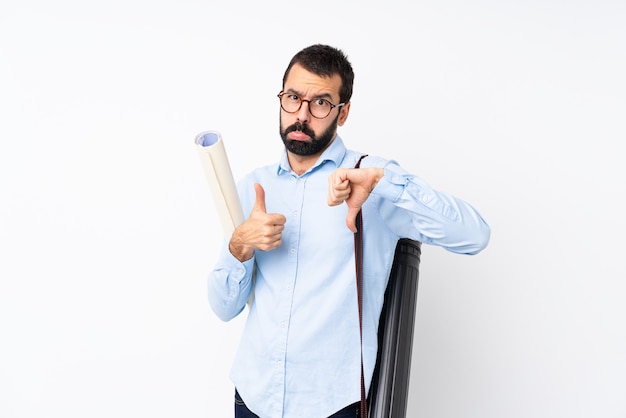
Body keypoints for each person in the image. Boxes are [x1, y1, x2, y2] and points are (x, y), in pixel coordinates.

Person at [208, 44, 490, 418]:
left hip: (332, 405)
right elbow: (223, 308)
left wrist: (386, 183)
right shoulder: (254, 187)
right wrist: (238, 246)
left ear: (344, 113)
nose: (302, 115)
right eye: (293, 98)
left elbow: (474, 235)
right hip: (253, 397)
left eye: (321, 102)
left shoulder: (369, 180)